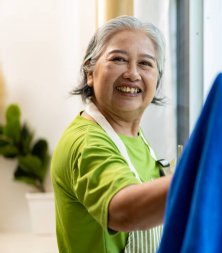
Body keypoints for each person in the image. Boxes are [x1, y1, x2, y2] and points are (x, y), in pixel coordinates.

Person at [51, 15, 172, 253]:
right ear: (90, 72)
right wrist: (202, 175)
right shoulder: (87, 142)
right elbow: (124, 211)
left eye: (146, 63)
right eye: (118, 59)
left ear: (157, 80)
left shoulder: (133, 135)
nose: (132, 74)